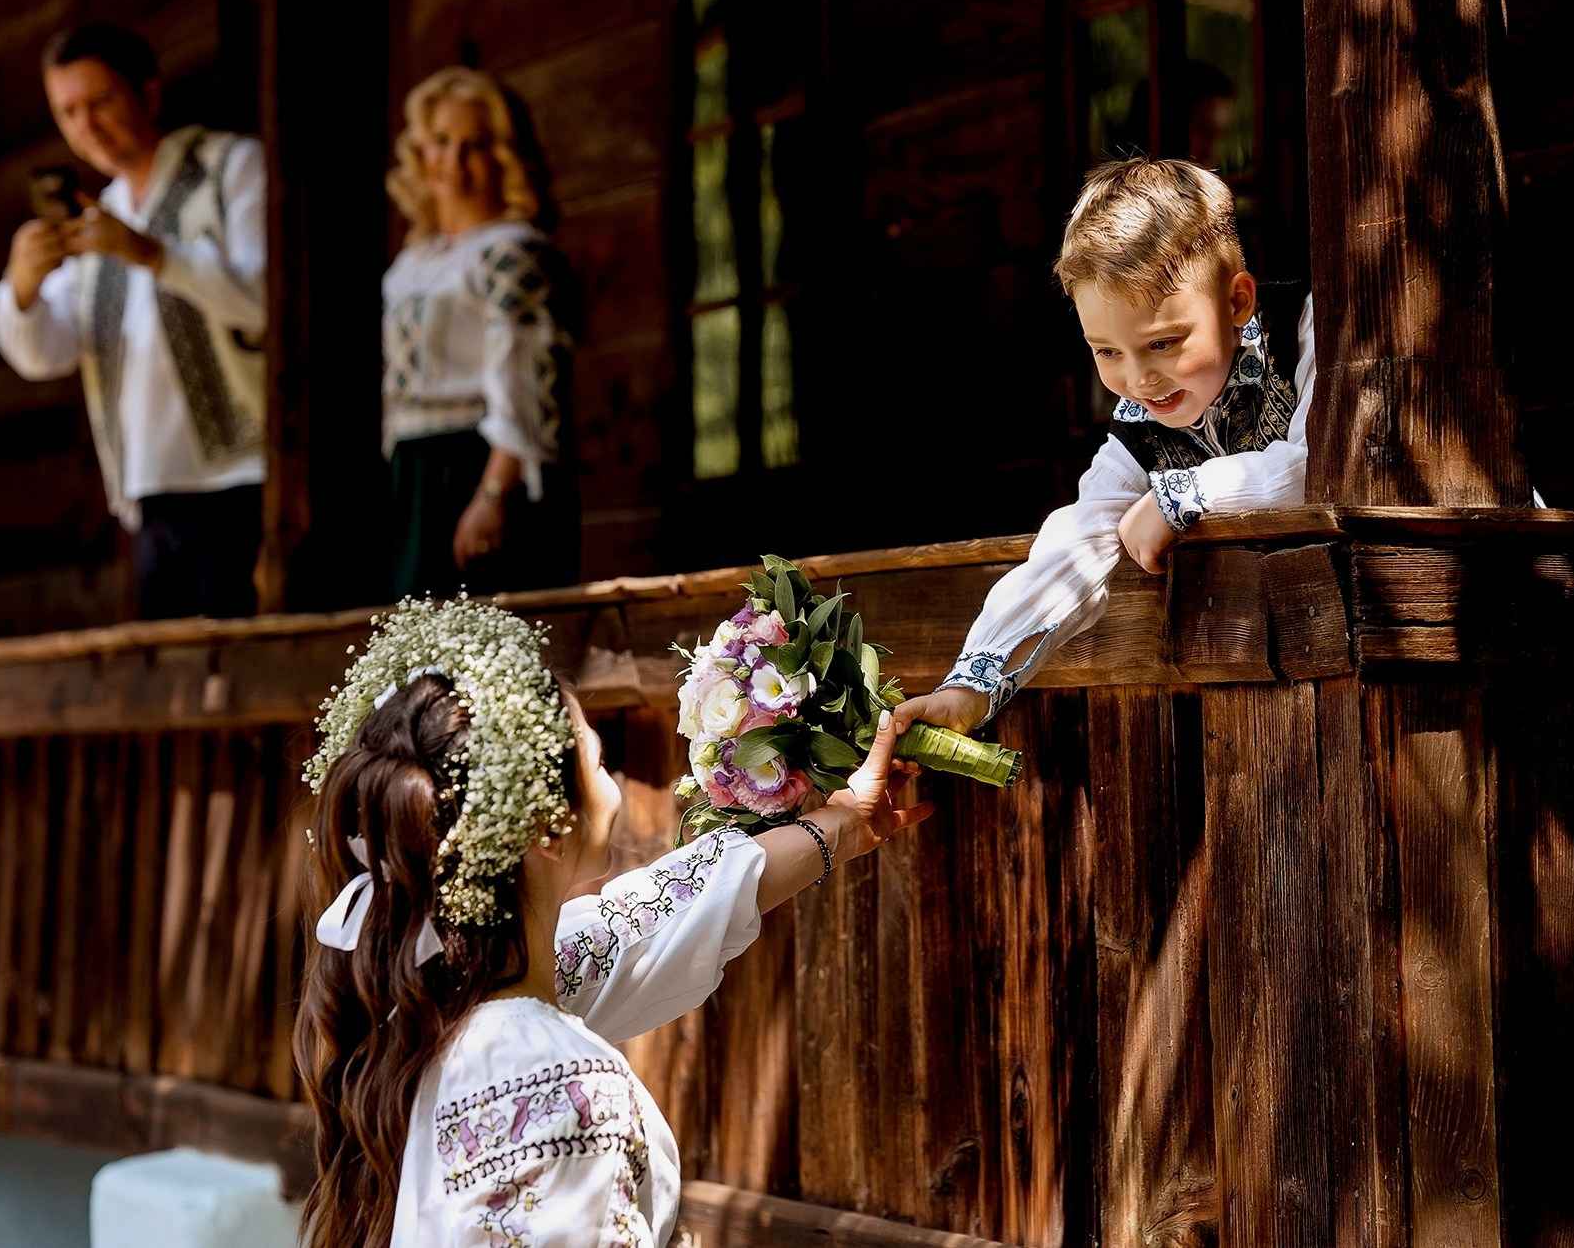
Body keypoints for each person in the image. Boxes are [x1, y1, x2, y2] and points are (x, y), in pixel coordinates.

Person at [293, 597, 931, 1246]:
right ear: (545, 824)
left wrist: (842, 823)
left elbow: (645, 919)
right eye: (596, 760)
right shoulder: (560, 1086)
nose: (610, 778)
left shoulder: (438, 994)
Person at [898, 156, 1315, 734]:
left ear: (1238, 301)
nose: (1140, 379)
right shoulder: (1139, 427)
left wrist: (1180, 497)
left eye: (1163, 343)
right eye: (1108, 352)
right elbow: (1076, 539)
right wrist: (972, 686)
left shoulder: (1309, 329)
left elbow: (1316, 465)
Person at [0, 24, 267, 619]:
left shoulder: (230, 169)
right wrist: (22, 286)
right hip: (148, 491)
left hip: (246, 481)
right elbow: (46, 352)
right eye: (67, 112)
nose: (85, 126)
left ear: (148, 92)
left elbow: (268, 299)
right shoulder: (101, 215)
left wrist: (156, 256)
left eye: (100, 102)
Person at [383, 68, 581, 600]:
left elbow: (520, 377)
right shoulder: (415, 260)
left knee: (480, 643)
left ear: (502, 155)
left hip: (475, 464)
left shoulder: (512, 250)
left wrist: (493, 493)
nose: (453, 161)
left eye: (474, 145)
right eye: (441, 142)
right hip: (417, 471)